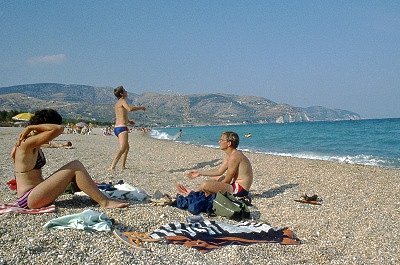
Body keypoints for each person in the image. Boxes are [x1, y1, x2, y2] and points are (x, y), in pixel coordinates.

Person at [11, 109, 129, 209]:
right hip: (29, 198)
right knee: (75, 166)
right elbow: (59, 128)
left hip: (35, 194)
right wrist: (32, 126)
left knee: (75, 176)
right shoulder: (27, 143)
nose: (54, 137)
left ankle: (96, 196)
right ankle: (105, 202)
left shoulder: (29, 143)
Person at [176, 131, 253, 197]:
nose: (219, 142)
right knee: (215, 178)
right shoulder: (229, 155)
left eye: (221, 140)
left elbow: (227, 181)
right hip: (234, 185)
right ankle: (196, 194)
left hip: (240, 190)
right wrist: (199, 173)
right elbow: (219, 171)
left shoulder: (235, 156)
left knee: (205, 185)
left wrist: (211, 187)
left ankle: (193, 194)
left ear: (229, 143)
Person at [109, 86, 146, 170]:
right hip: (122, 128)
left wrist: (129, 121)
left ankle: (123, 166)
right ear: (121, 94)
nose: (126, 91)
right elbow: (129, 109)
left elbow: (121, 115)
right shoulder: (122, 101)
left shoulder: (118, 103)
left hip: (118, 127)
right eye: (125, 90)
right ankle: (112, 166)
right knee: (122, 148)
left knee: (126, 148)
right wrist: (141, 107)